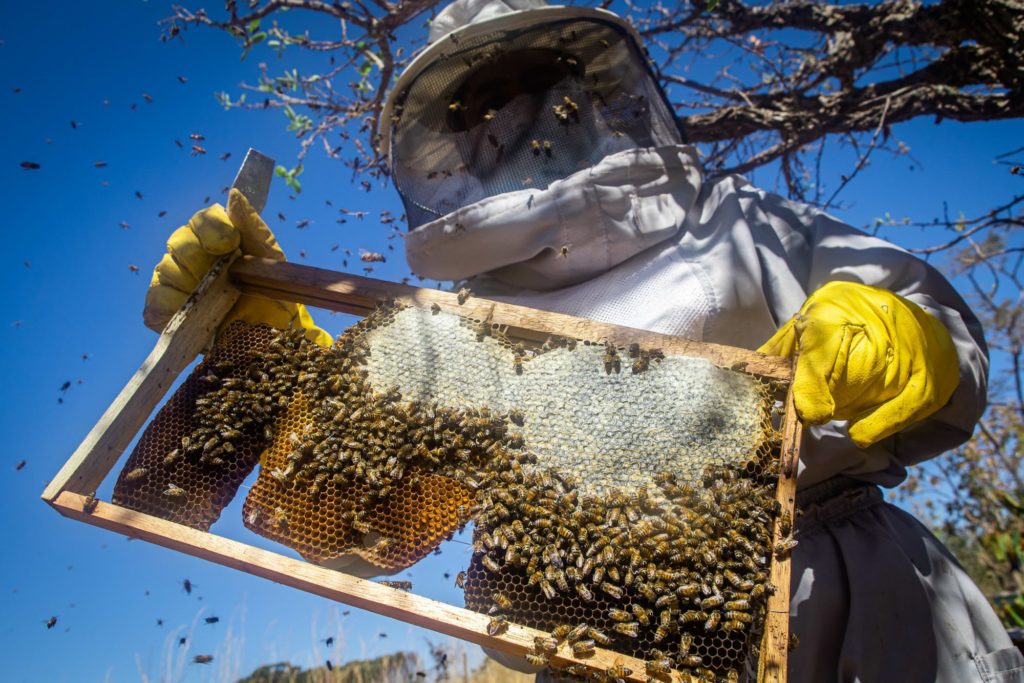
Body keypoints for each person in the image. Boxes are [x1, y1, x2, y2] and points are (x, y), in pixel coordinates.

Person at [144, 0, 1024, 680]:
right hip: (611, 642)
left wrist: (902, 330)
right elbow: (352, 515)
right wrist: (264, 349)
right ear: (444, 152)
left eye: (523, 83)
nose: (506, 118)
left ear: (589, 91)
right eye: (474, 106)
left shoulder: (734, 221)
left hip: (859, 598)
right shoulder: (452, 332)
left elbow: (924, 316)